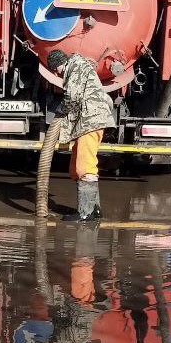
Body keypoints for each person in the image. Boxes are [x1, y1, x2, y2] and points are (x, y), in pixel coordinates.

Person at [47, 50, 115, 221]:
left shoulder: (76, 67)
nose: (57, 73)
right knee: (77, 166)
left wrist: (60, 110)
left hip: (91, 121)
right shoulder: (78, 67)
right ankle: (95, 209)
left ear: (59, 64)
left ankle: (86, 212)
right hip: (89, 122)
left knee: (85, 167)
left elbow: (72, 96)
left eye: (56, 69)